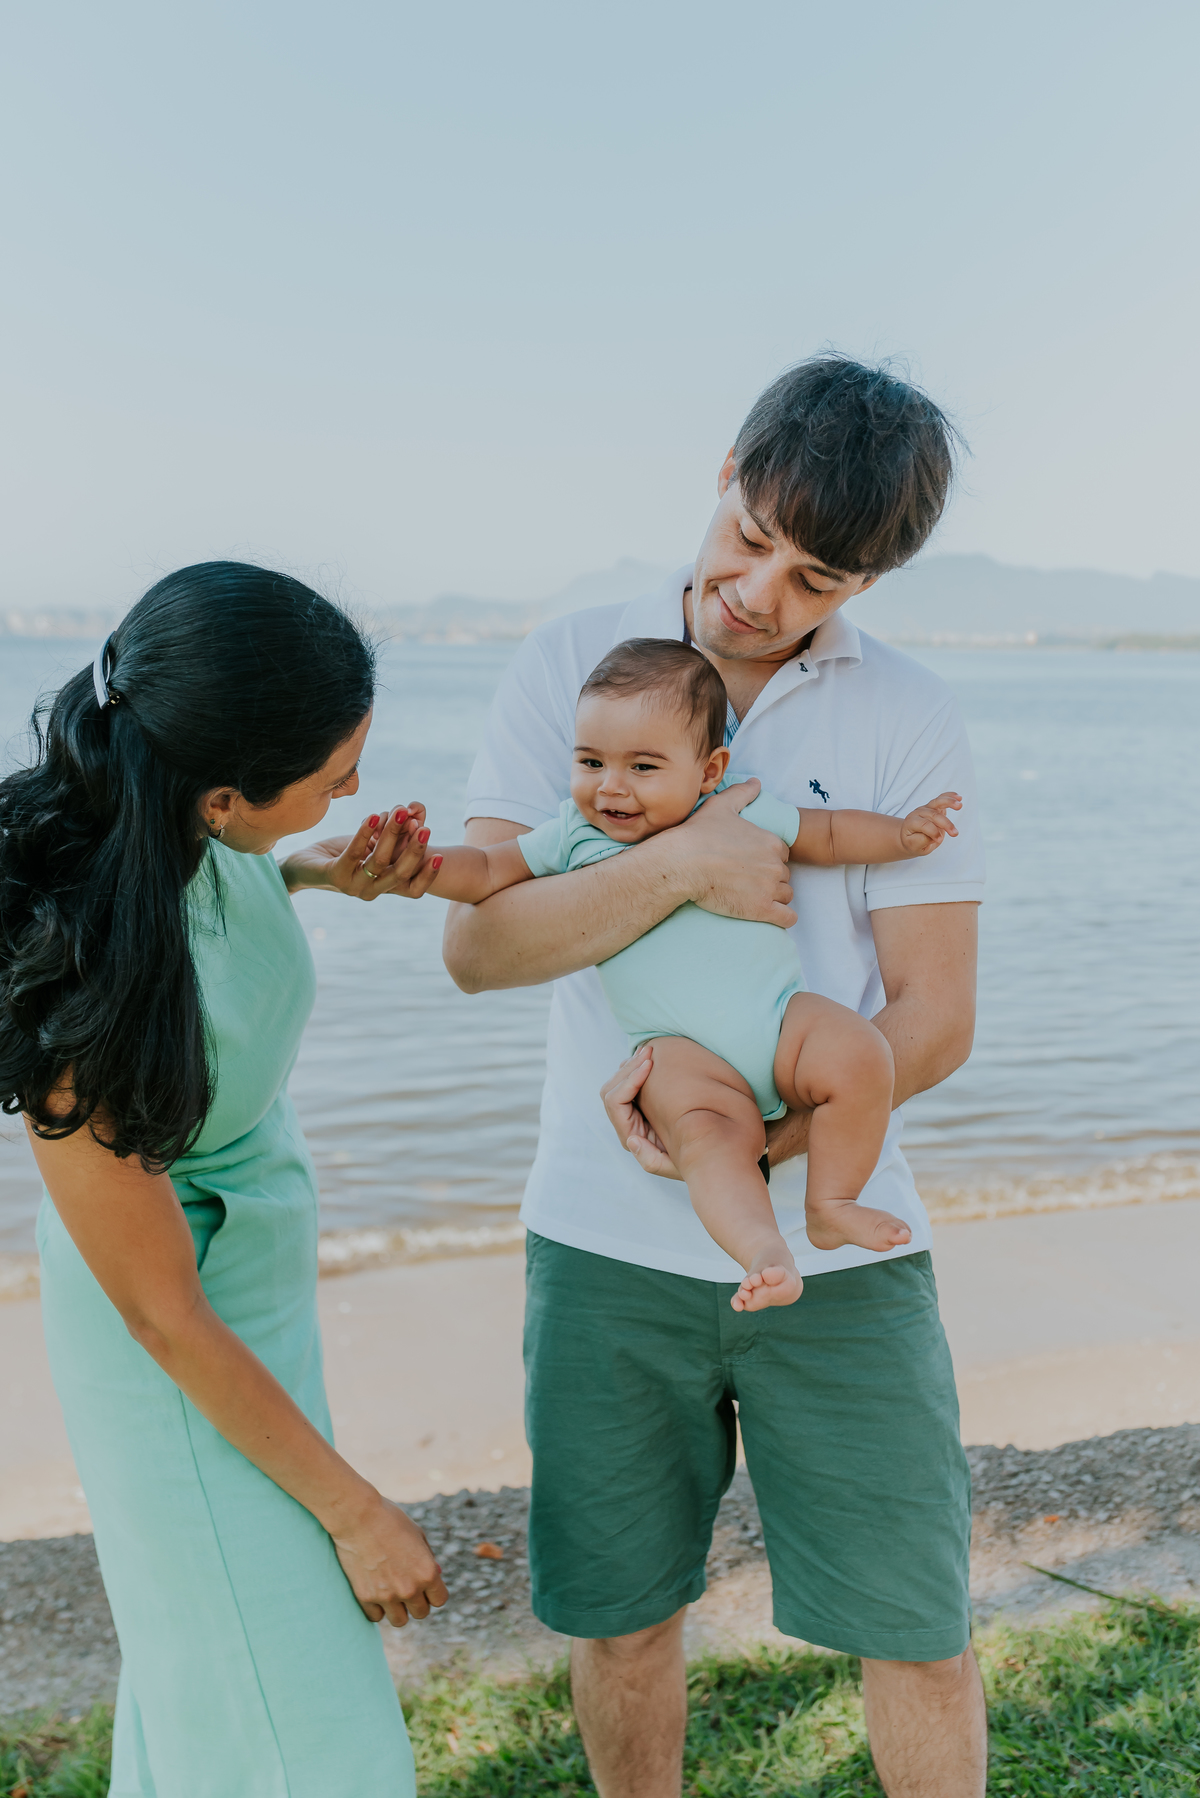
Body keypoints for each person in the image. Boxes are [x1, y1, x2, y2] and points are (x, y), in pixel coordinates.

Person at [441, 357, 989, 1796]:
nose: (760, 593)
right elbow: (480, 948)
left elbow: (932, 1018)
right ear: (728, 468)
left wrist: (749, 1151)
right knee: (623, 1627)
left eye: (816, 580)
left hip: (844, 1249)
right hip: (601, 1242)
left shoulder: (912, 716)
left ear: (865, 586)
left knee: (921, 1632)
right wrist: (684, 857)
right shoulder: (570, 657)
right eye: (753, 539)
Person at [0, 562, 445, 1797]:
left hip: (250, 1315)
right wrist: (357, 1511)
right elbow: (159, 1313)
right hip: (178, 1363)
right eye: (332, 779)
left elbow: (211, 901)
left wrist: (315, 873)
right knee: (302, 1728)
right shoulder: (85, 979)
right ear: (226, 792)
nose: (355, 788)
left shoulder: (187, 830)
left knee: (218, 1703)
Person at [401, 637, 961, 1311]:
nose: (610, 786)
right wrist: (415, 866)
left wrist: (901, 836)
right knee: (709, 1140)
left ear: (708, 770)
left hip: (780, 1019)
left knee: (864, 1054)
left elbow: (830, 835)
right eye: (590, 762)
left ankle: (831, 1201)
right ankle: (764, 1250)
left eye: (642, 766)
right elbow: (487, 871)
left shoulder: (738, 805)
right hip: (679, 1054)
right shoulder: (573, 835)